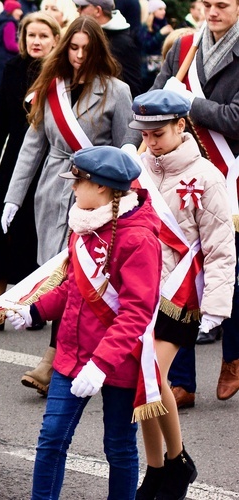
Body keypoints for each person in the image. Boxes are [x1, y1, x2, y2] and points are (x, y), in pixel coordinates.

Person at [7, 146, 162, 500]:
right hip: (72, 354)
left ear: (103, 188)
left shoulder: (138, 238)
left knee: (119, 447)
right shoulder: (85, 222)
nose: (73, 188)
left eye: (78, 181)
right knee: (51, 441)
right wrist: (35, 310)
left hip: (117, 361)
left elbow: (137, 311)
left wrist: (101, 364)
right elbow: (73, 289)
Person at [2, 16, 140, 396]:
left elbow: (125, 155)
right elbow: (33, 145)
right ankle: (70, 355)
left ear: (98, 50)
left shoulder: (117, 91)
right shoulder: (52, 87)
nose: (78, 56)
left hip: (95, 198)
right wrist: (14, 197)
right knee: (55, 276)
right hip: (52, 190)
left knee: (78, 278)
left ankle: (54, 361)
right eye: (73, 48)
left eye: (86, 49)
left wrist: (122, 204)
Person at [128, 89, 235, 499]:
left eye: (159, 132)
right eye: (146, 133)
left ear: (180, 125)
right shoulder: (137, 167)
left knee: (151, 375)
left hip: (180, 295)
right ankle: (159, 467)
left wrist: (215, 309)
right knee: (143, 381)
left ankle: (177, 462)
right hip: (140, 291)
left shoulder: (206, 176)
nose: (152, 141)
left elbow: (221, 247)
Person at [151, 0, 239, 410]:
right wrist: (160, 99)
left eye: (223, 4)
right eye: (207, 3)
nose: (213, 11)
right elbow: (154, 98)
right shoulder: (184, 45)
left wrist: (186, 103)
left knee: (229, 273)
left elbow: (236, 118)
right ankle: (182, 380)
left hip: (231, 175)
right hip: (184, 169)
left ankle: (233, 356)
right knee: (178, 272)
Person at [0, 12, 61, 323]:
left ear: (55, 39)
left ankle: (34, 304)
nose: (36, 41)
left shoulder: (62, 72)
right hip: (14, 157)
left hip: (48, 159)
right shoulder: (13, 67)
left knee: (34, 232)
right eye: (31, 36)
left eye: (43, 36)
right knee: (0, 227)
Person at [73, 0, 143, 98]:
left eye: (83, 7)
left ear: (98, 10)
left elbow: (132, 89)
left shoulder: (122, 43)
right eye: (74, 47)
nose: (78, 10)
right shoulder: (89, 35)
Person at [0, 0, 23, 108]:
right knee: (1, 94)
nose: (20, 12)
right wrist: (23, 49)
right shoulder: (10, 24)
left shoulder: (1, 21)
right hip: (5, 61)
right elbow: (10, 45)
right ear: (12, 10)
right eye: (18, 9)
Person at [138, 0, 173, 91]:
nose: (163, 12)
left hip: (161, 66)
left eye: (164, 9)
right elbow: (146, 46)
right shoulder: (146, 27)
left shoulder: (165, 24)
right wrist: (160, 34)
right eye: (160, 9)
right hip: (148, 70)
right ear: (153, 11)